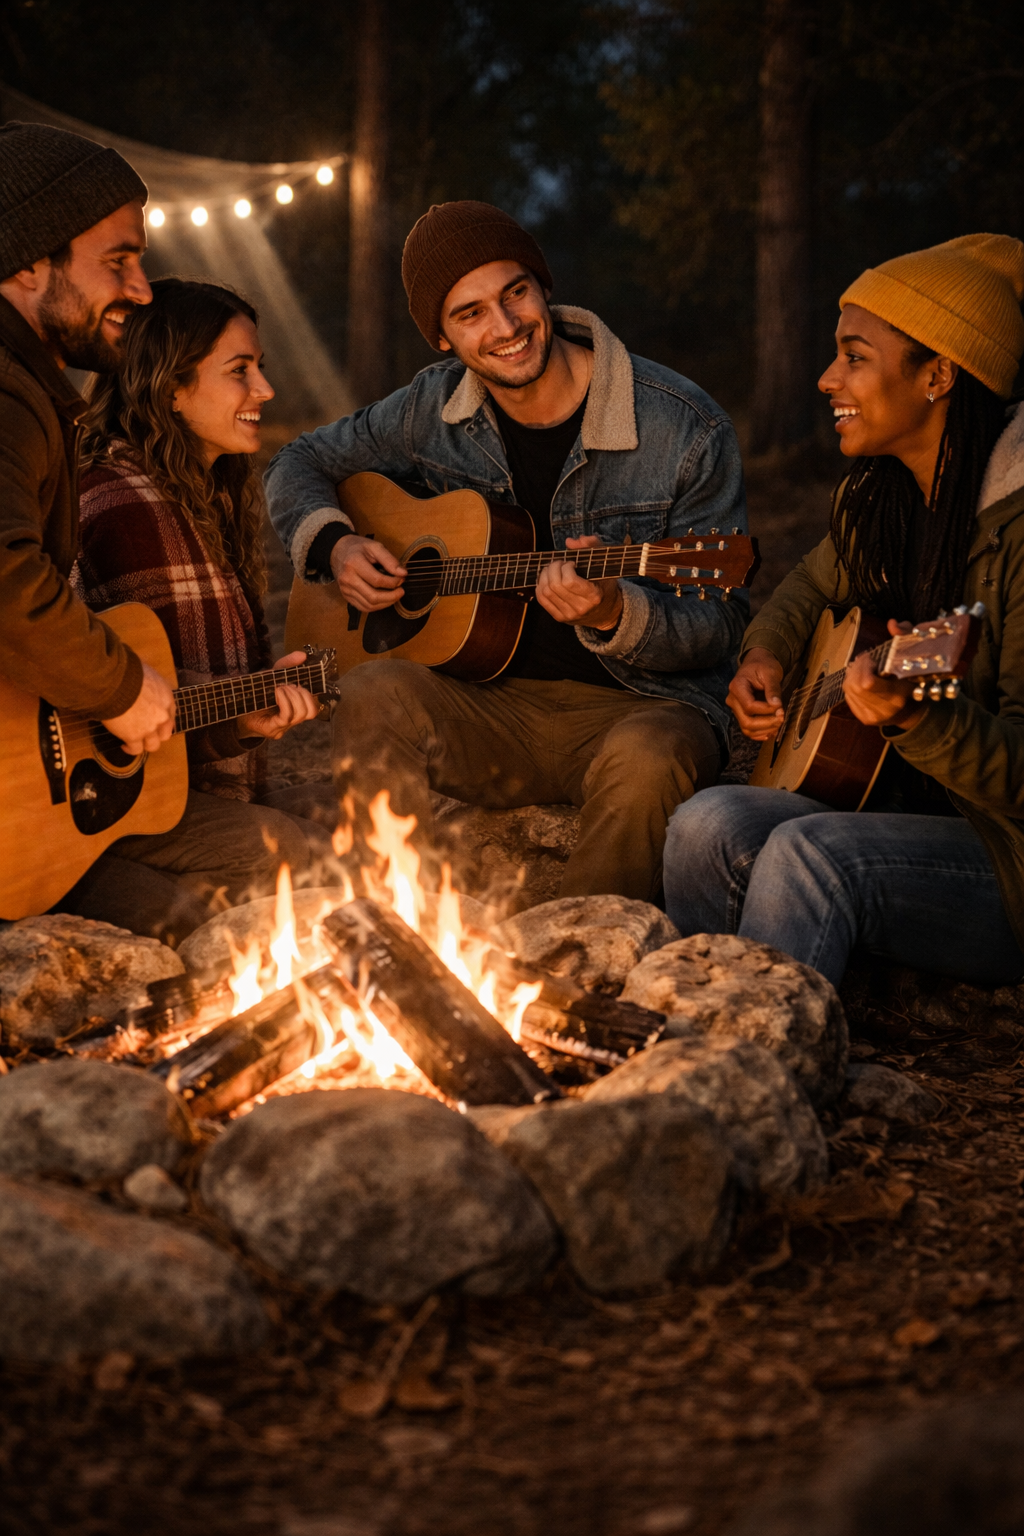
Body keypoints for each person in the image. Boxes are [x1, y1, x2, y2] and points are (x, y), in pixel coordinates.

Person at [265, 200, 748, 902]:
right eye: (470, 314)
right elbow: (297, 461)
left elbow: (720, 623)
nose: (505, 327)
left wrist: (617, 612)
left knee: (650, 756)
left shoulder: (685, 426)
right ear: (440, 337)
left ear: (543, 287)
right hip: (487, 708)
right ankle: (397, 928)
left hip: (639, 709)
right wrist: (334, 545)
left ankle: (591, 959)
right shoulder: (429, 409)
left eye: (514, 293)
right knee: (371, 694)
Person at [663, 234, 1024, 988]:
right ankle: (703, 1024)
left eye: (854, 356)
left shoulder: (1016, 537)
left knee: (811, 856)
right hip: (898, 803)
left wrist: (916, 719)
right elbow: (803, 588)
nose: (827, 379)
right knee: (703, 825)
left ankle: (762, 1073)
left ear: (938, 375)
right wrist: (765, 654)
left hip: (1002, 856)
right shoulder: (885, 499)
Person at [72, 278, 337, 929]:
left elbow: (167, 691)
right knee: (297, 860)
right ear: (170, 388)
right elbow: (116, 699)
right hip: (103, 802)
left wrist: (248, 709)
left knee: (358, 816)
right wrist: (239, 711)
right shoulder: (126, 503)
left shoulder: (197, 494)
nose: (265, 391)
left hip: (187, 784)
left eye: (261, 369)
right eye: (239, 371)